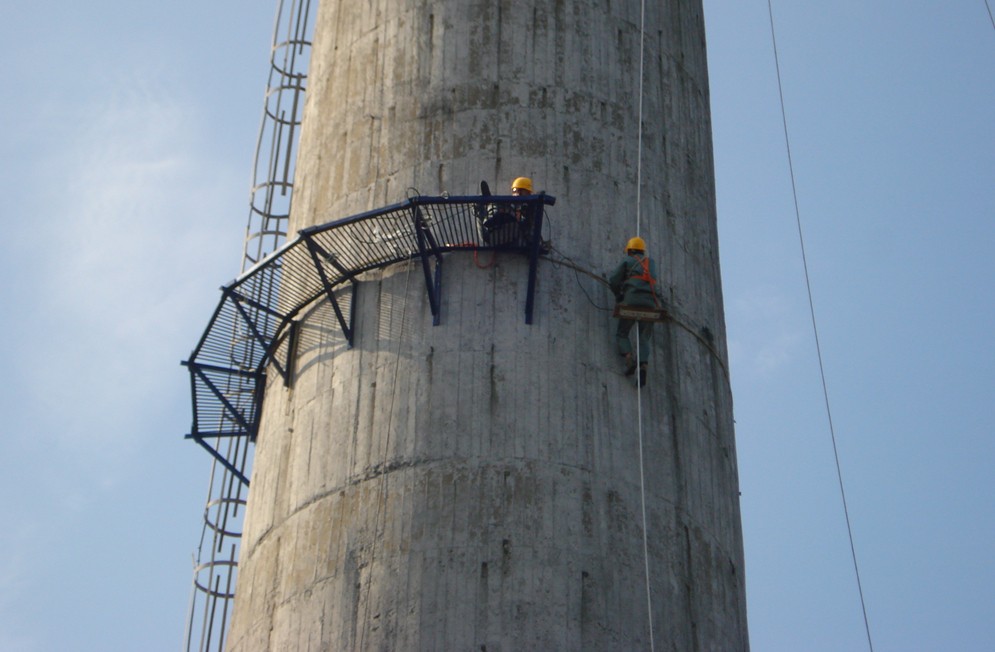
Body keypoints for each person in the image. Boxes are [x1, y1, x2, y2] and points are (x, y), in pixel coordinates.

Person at [609, 236, 659, 387]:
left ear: (629, 251)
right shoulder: (652, 263)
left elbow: (614, 280)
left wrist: (618, 295)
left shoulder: (627, 261)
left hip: (632, 300)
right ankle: (643, 366)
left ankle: (629, 358)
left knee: (622, 333)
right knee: (644, 337)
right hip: (650, 303)